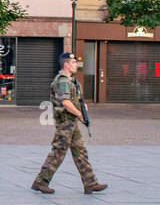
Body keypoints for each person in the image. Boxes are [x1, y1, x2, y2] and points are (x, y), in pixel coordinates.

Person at [32, 52, 107, 195]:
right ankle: (41, 182)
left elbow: (74, 101)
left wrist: (81, 109)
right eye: (73, 63)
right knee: (58, 152)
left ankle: (90, 183)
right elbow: (66, 103)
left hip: (71, 122)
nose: (76, 65)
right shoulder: (63, 81)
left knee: (80, 152)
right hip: (65, 123)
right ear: (66, 64)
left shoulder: (71, 81)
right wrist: (80, 114)